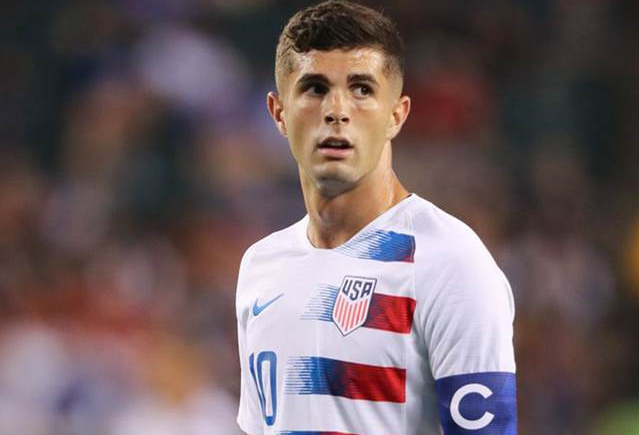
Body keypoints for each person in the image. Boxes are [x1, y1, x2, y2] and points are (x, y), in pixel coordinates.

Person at [235, 1, 517, 434]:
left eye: (362, 89)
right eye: (314, 88)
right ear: (279, 114)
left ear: (397, 115)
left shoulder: (449, 262)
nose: (337, 110)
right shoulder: (261, 266)